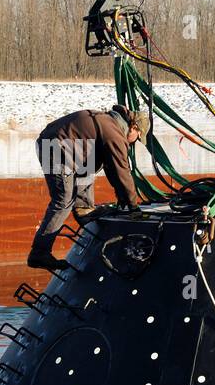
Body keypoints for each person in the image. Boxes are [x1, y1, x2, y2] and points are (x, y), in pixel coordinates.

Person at [28, 104, 149, 271]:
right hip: (54, 146)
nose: (136, 141)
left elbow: (109, 167)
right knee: (63, 199)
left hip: (59, 143)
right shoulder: (113, 131)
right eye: (139, 136)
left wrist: (123, 199)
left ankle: (84, 209)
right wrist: (133, 205)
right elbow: (121, 170)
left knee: (91, 161)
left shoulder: (107, 123)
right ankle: (39, 252)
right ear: (133, 127)